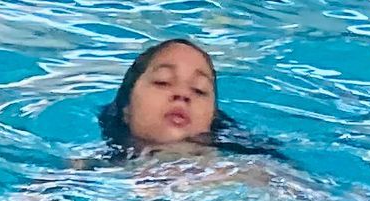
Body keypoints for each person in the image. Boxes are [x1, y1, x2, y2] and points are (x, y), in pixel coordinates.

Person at [96, 38, 282, 161]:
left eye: (199, 90)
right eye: (163, 82)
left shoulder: (257, 173)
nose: (182, 95)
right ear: (126, 107)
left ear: (212, 119)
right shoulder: (86, 174)